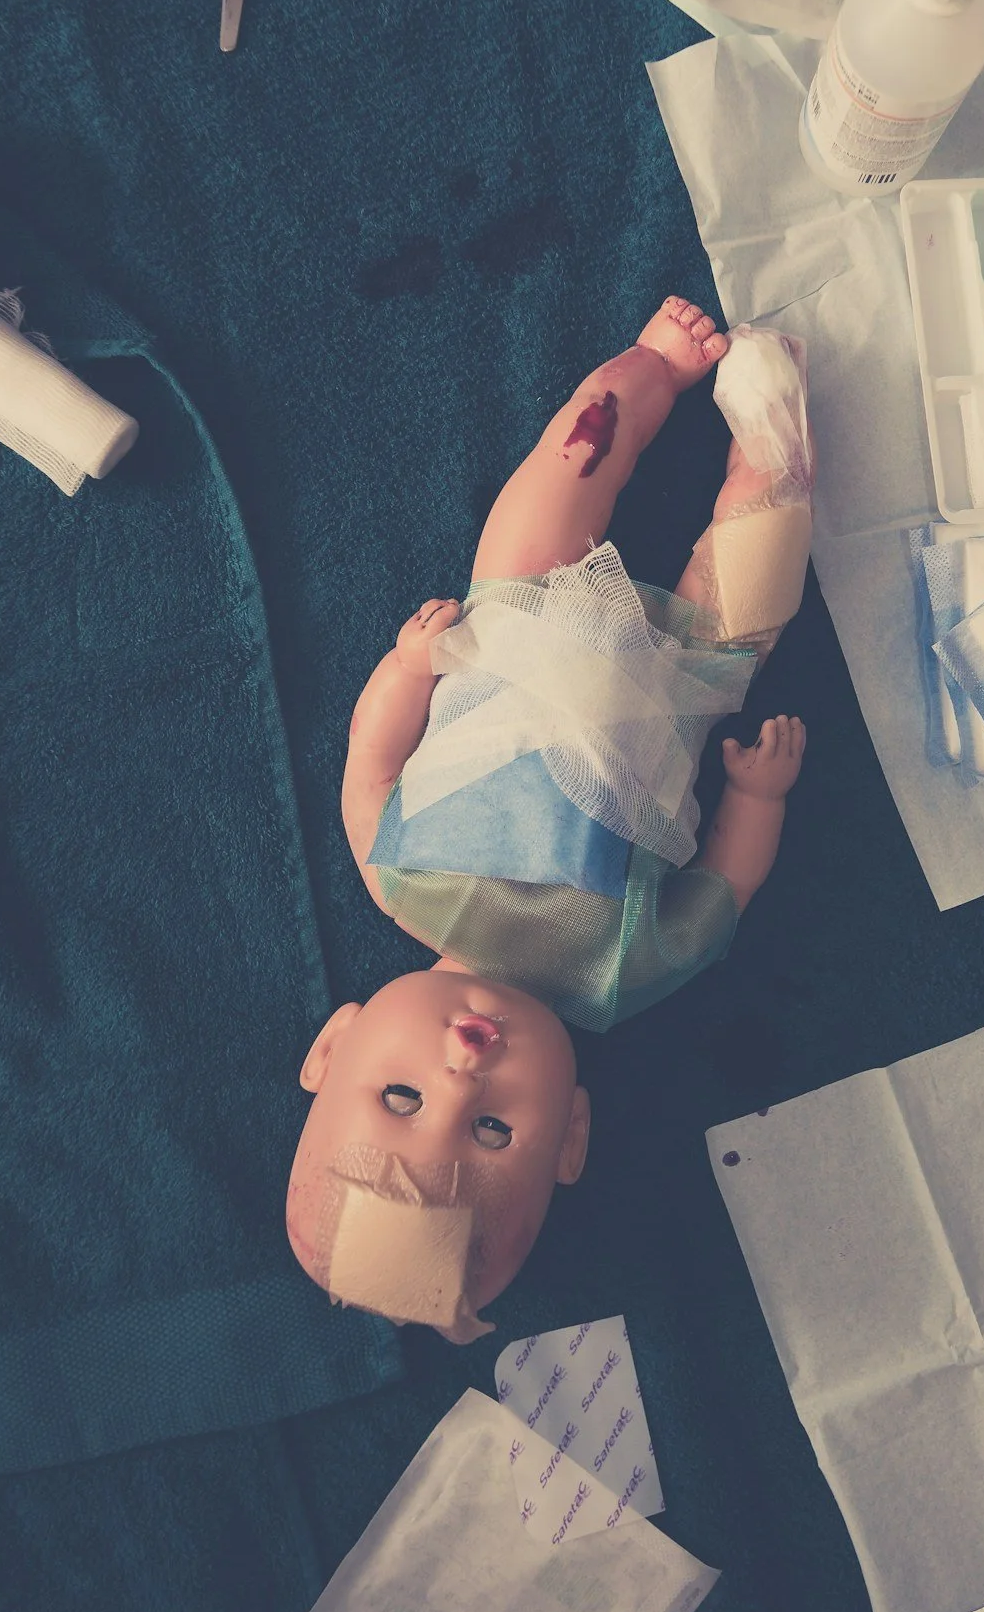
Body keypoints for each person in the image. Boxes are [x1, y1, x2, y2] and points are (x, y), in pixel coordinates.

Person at [287, 297, 811, 1339]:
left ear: (335, 1047)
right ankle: (773, 437)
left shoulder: (400, 879)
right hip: (691, 674)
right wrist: (756, 798)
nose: (460, 1068)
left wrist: (406, 669)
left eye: (399, 1097)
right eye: (490, 1127)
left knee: (571, 458)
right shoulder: (620, 974)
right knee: (762, 567)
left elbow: (370, 761)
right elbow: (725, 891)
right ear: (569, 1133)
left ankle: (655, 369)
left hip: (520, 616)